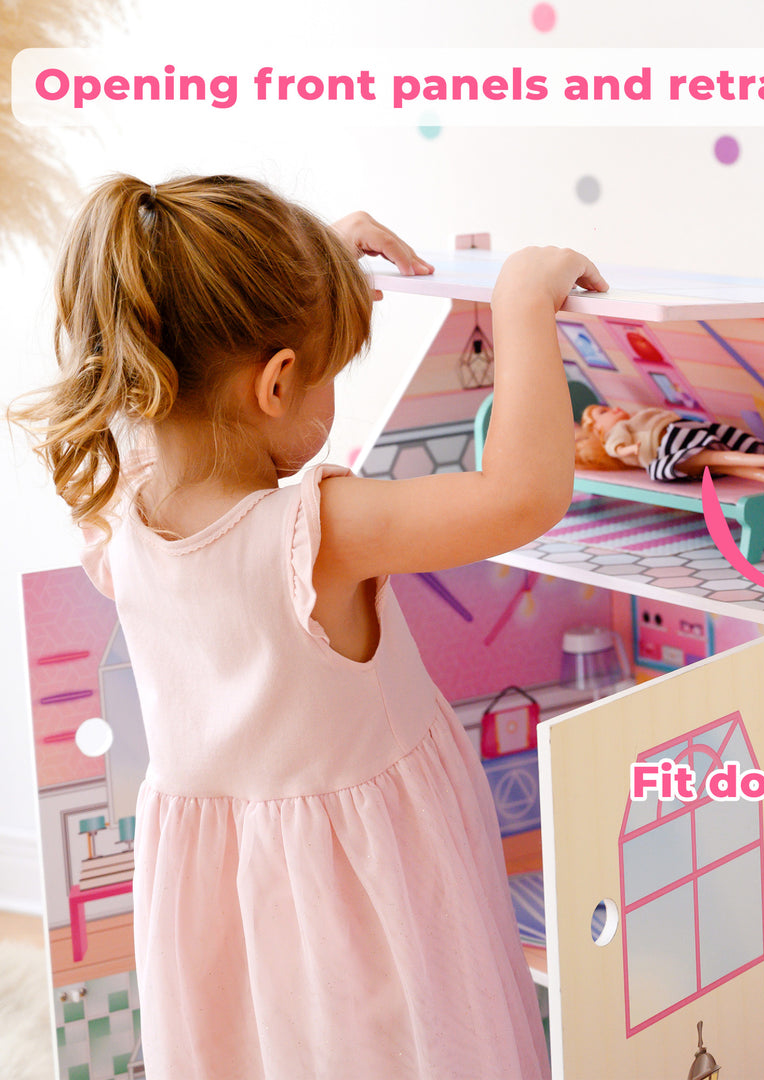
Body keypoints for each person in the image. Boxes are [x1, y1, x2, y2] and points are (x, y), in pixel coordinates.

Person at [12, 173, 607, 1079]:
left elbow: (193, 348)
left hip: (220, 908)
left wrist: (297, 278)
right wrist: (521, 301)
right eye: (331, 370)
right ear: (279, 381)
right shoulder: (320, 533)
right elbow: (523, 496)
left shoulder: (117, 502)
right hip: (368, 901)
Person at [574, 403, 764, 499]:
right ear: (598, 430)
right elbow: (617, 448)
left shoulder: (633, 421)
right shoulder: (616, 433)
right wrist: (629, 447)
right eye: (603, 412)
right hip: (672, 447)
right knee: (726, 458)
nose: (613, 409)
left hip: (681, 438)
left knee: (735, 465)